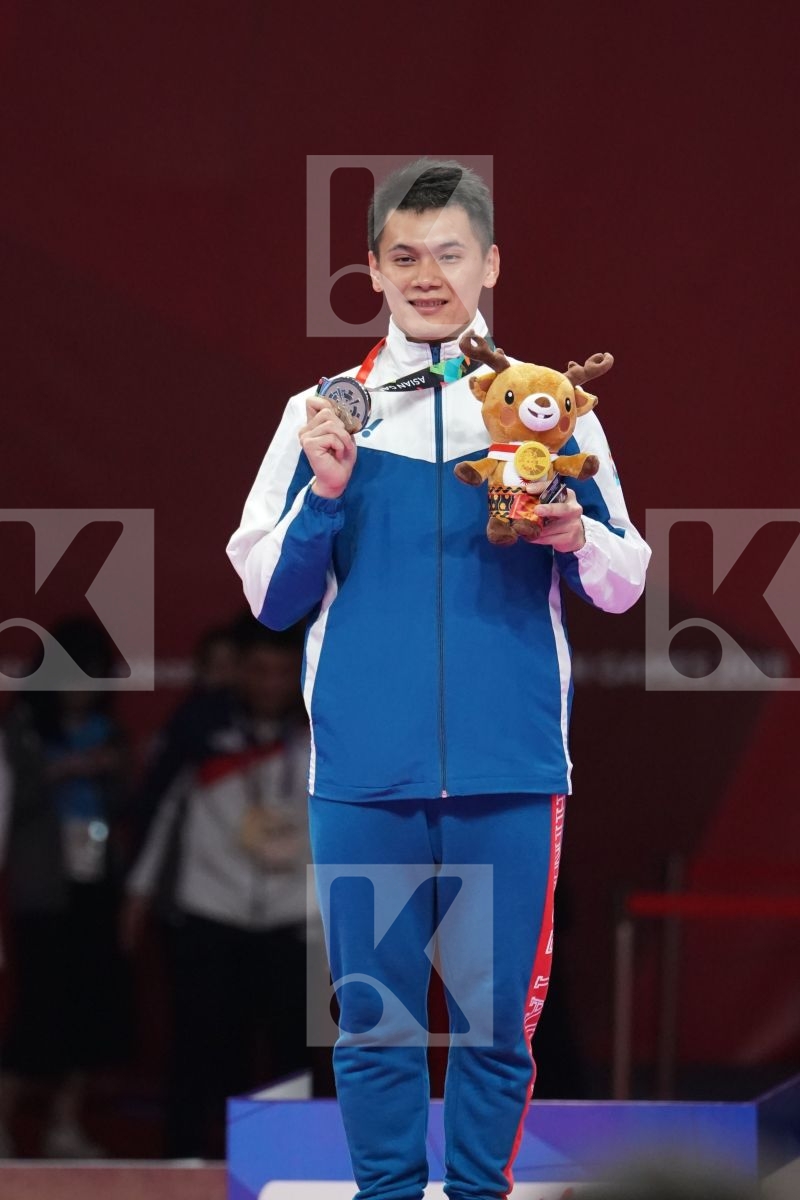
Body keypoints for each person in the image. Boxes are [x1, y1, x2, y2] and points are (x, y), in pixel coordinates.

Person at [227, 159, 651, 1200]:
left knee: (495, 1024)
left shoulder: (548, 410)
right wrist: (325, 494)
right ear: (370, 267)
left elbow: (622, 580)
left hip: (510, 769)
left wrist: (568, 531)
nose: (427, 274)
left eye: (448, 253)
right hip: (367, 771)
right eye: (404, 255)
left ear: (488, 263)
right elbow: (268, 598)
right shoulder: (319, 415)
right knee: (372, 1022)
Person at [122, 613, 312, 1159]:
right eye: (259, 671)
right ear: (239, 673)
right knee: (200, 1043)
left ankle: (281, 1161)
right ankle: (187, 1159)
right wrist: (139, 893)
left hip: (291, 918)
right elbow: (160, 815)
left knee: (287, 1049)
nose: (271, 685)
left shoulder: (323, 732)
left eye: (283, 673)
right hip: (208, 910)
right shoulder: (199, 732)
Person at [0, 616, 132, 1159]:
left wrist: (108, 770)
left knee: (90, 1009)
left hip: (97, 884)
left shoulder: (111, 732)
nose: (83, 689)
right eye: (74, 675)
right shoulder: (21, 729)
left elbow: (128, 804)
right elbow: (12, 805)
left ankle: (65, 1123)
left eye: (94, 676)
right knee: (38, 1011)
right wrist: (61, 771)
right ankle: (5, 1123)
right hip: (42, 890)